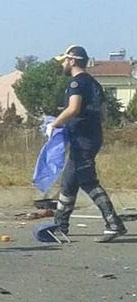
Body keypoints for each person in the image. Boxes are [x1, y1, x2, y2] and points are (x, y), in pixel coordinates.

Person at [46, 45, 126, 243]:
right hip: (89, 136)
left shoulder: (77, 83)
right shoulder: (93, 83)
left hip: (83, 140)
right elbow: (103, 112)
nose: (63, 65)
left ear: (72, 61)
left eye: (65, 61)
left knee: (87, 180)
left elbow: (73, 108)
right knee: (69, 181)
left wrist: (55, 124)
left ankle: (114, 223)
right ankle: (60, 226)